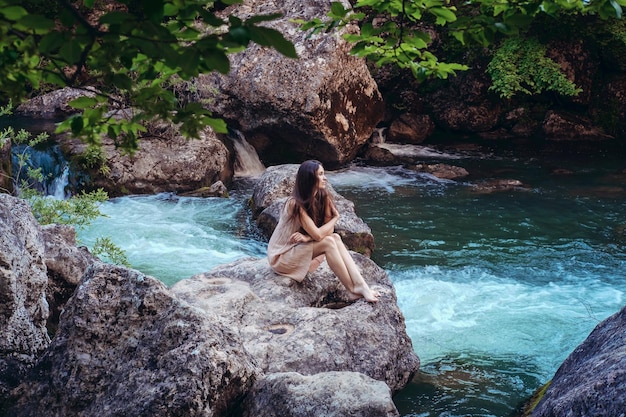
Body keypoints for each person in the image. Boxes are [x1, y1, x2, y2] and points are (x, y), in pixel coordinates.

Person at [267, 160, 379, 302]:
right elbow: (319, 234)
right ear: (310, 179)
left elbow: (329, 230)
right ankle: (353, 289)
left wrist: (308, 238)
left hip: (297, 248)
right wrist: (336, 217)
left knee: (335, 238)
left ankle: (360, 286)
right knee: (328, 243)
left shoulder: (321, 196)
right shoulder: (294, 204)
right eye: (320, 174)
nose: (325, 178)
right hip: (281, 257)